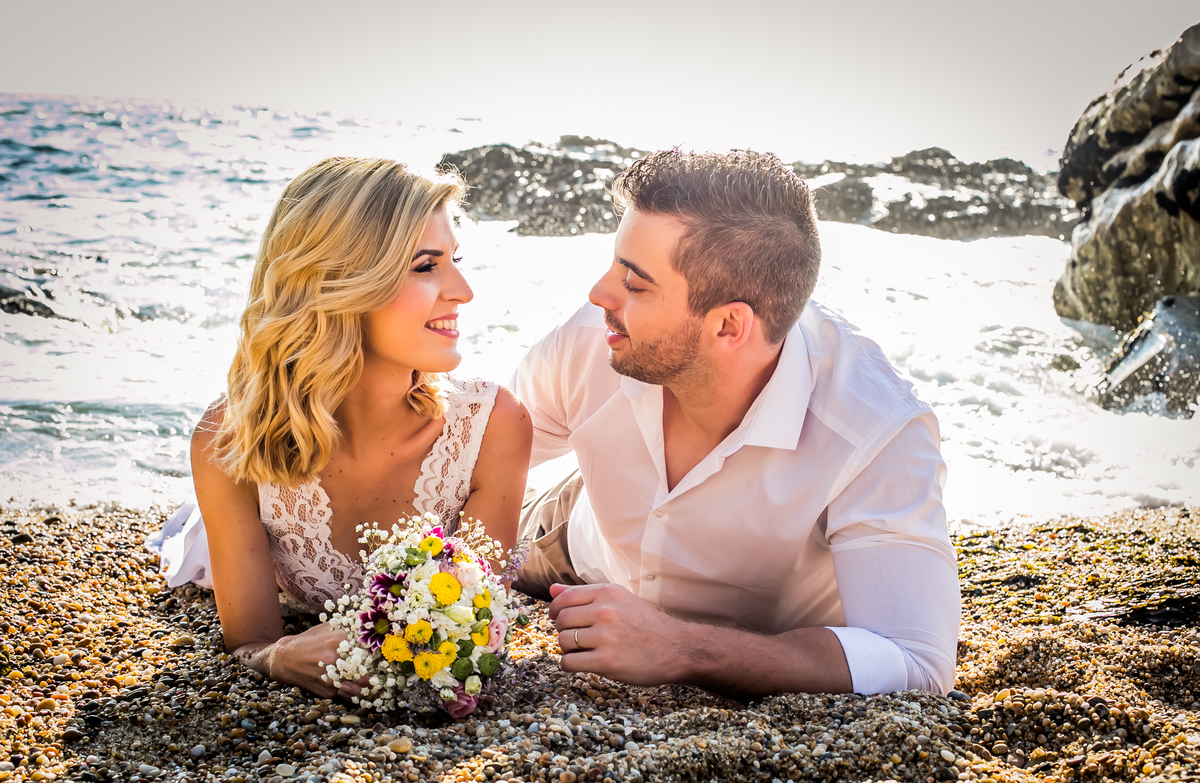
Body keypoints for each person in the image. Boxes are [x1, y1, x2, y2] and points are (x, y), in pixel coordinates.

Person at [512, 148, 960, 697]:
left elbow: (916, 663)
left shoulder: (875, 433)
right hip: (579, 539)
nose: (599, 295)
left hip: (754, 639)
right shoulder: (595, 339)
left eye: (635, 283)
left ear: (728, 325)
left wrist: (679, 647)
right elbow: (469, 449)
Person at [152, 157, 532, 699]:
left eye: (454, 260)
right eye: (427, 266)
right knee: (191, 548)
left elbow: (477, 623)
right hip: (238, 503)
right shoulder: (227, 443)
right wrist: (278, 656)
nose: (463, 291)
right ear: (341, 284)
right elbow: (250, 642)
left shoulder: (495, 427)